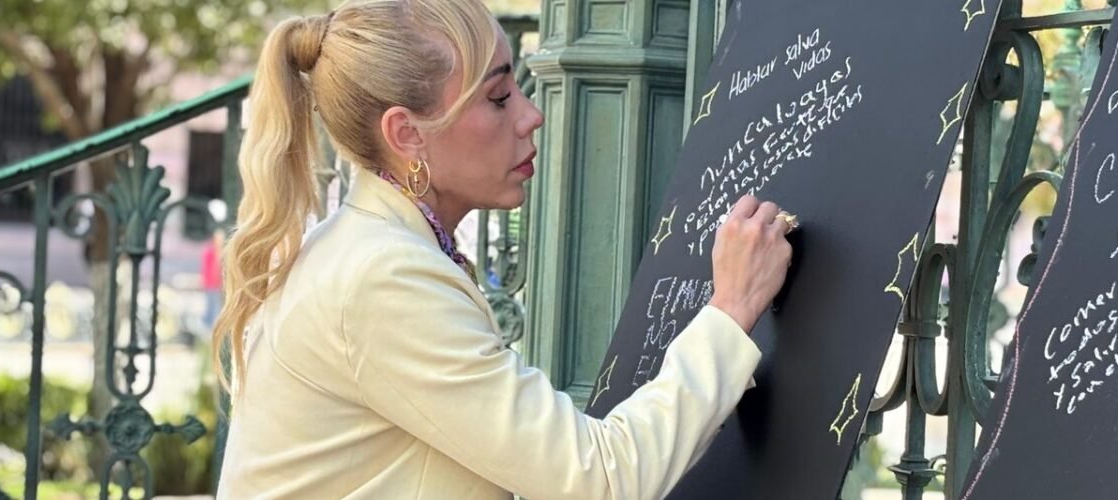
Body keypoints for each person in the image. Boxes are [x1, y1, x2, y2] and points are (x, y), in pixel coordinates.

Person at [212, 1, 796, 498]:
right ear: (406, 134)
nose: (531, 115)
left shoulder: (366, 249)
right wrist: (732, 308)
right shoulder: (380, 276)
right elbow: (603, 477)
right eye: (497, 98)